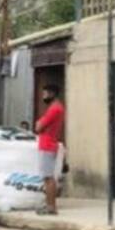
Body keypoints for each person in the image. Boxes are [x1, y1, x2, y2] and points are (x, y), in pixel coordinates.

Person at [34, 84, 65, 216]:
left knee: (48, 177)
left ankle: (51, 206)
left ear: (52, 93)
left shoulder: (54, 109)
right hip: (48, 144)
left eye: (45, 94)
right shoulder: (56, 108)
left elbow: (39, 127)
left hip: (47, 145)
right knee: (47, 177)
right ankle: (49, 205)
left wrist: (39, 123)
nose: (43, 96)